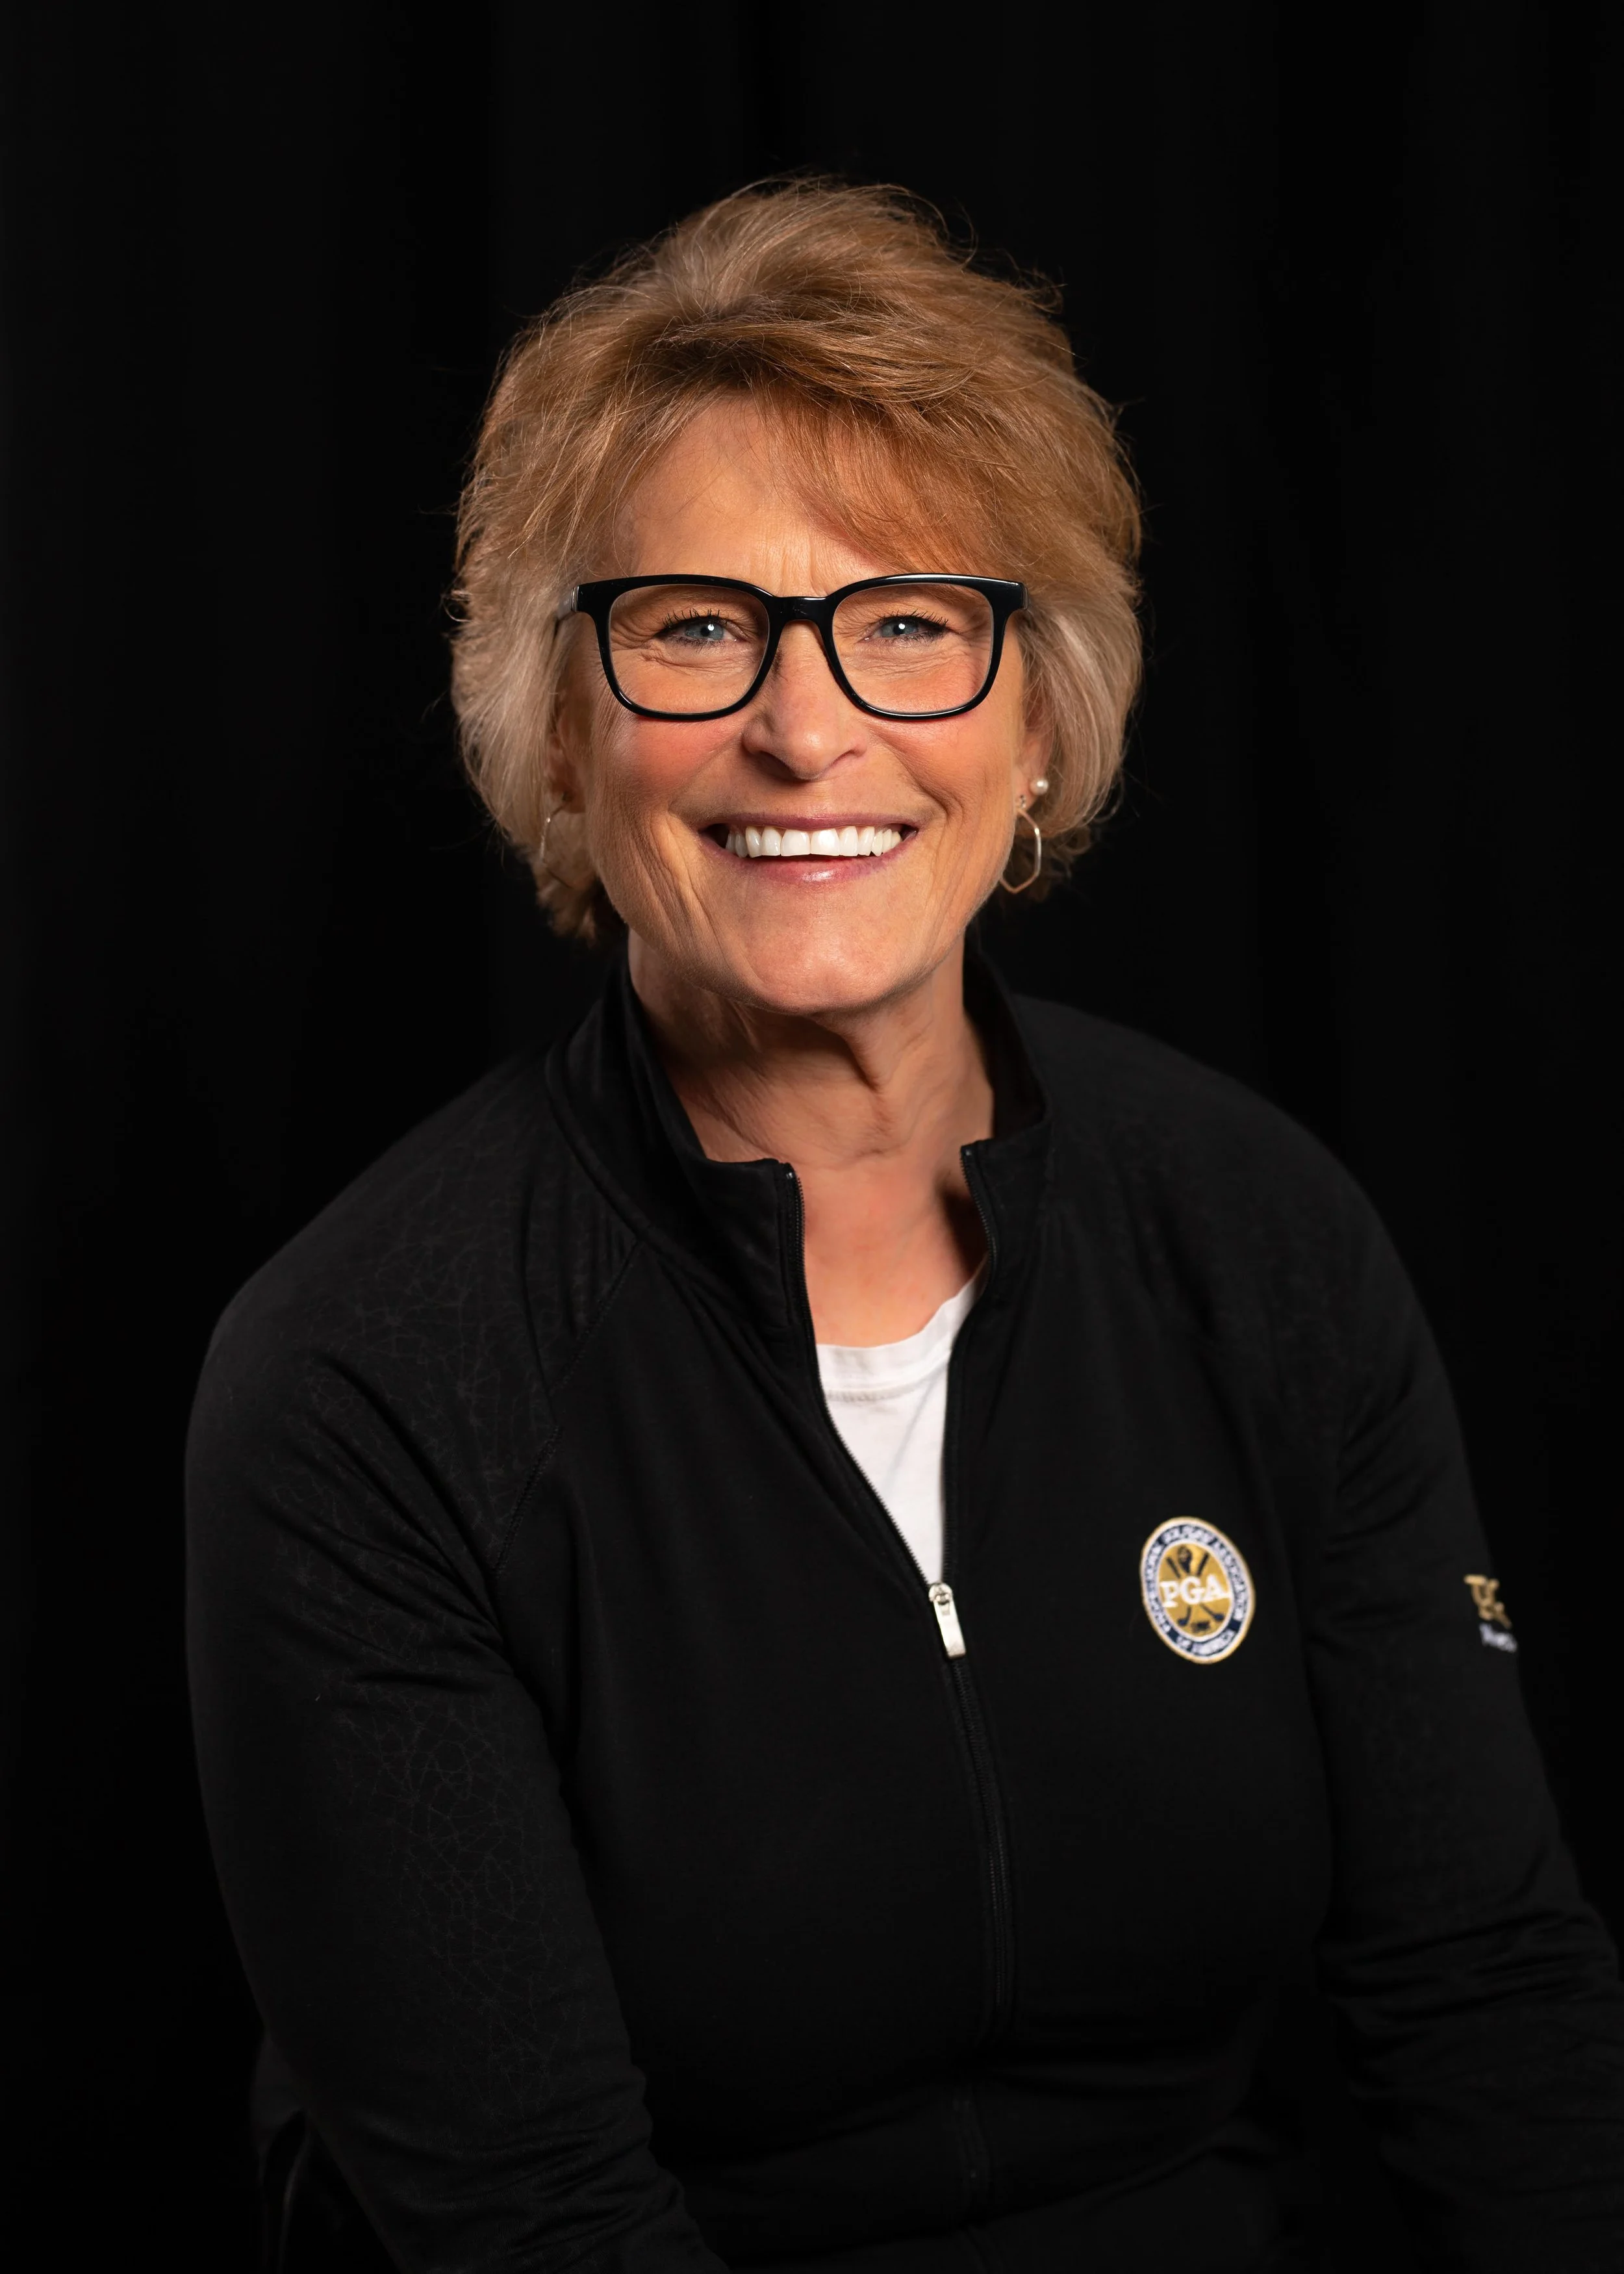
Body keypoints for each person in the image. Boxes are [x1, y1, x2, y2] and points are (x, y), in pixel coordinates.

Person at [186, 183, 1624, 2274]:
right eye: (693, 623)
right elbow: (533, 2220)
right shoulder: (366, 1376)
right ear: (562, 728)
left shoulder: (1256, 1231)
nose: (806, 721)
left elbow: (1488, 1995)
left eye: (911, 619)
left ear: (1034, 717)